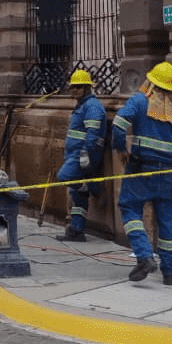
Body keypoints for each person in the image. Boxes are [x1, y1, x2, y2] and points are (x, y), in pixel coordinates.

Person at [112, 61, 172, 285]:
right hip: (171, 177)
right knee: (167, 224)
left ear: (152, 83)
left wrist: (121, 148)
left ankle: (144, 257)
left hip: (142, 171)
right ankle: (170, 274)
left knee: (130, 208)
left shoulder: (141, 101)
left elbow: (119, 123)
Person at [55, 69, 106, 242]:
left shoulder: (92, 106)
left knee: (64, 177)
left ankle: (92, 186)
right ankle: (77, 230)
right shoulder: (83, 105)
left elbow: (92, 135)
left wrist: (85, 156)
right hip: (74, 153)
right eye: (72, 87)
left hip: (82, 155)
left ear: (86, 88)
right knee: (78, 196)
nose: (73, 91)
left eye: (78, 87)